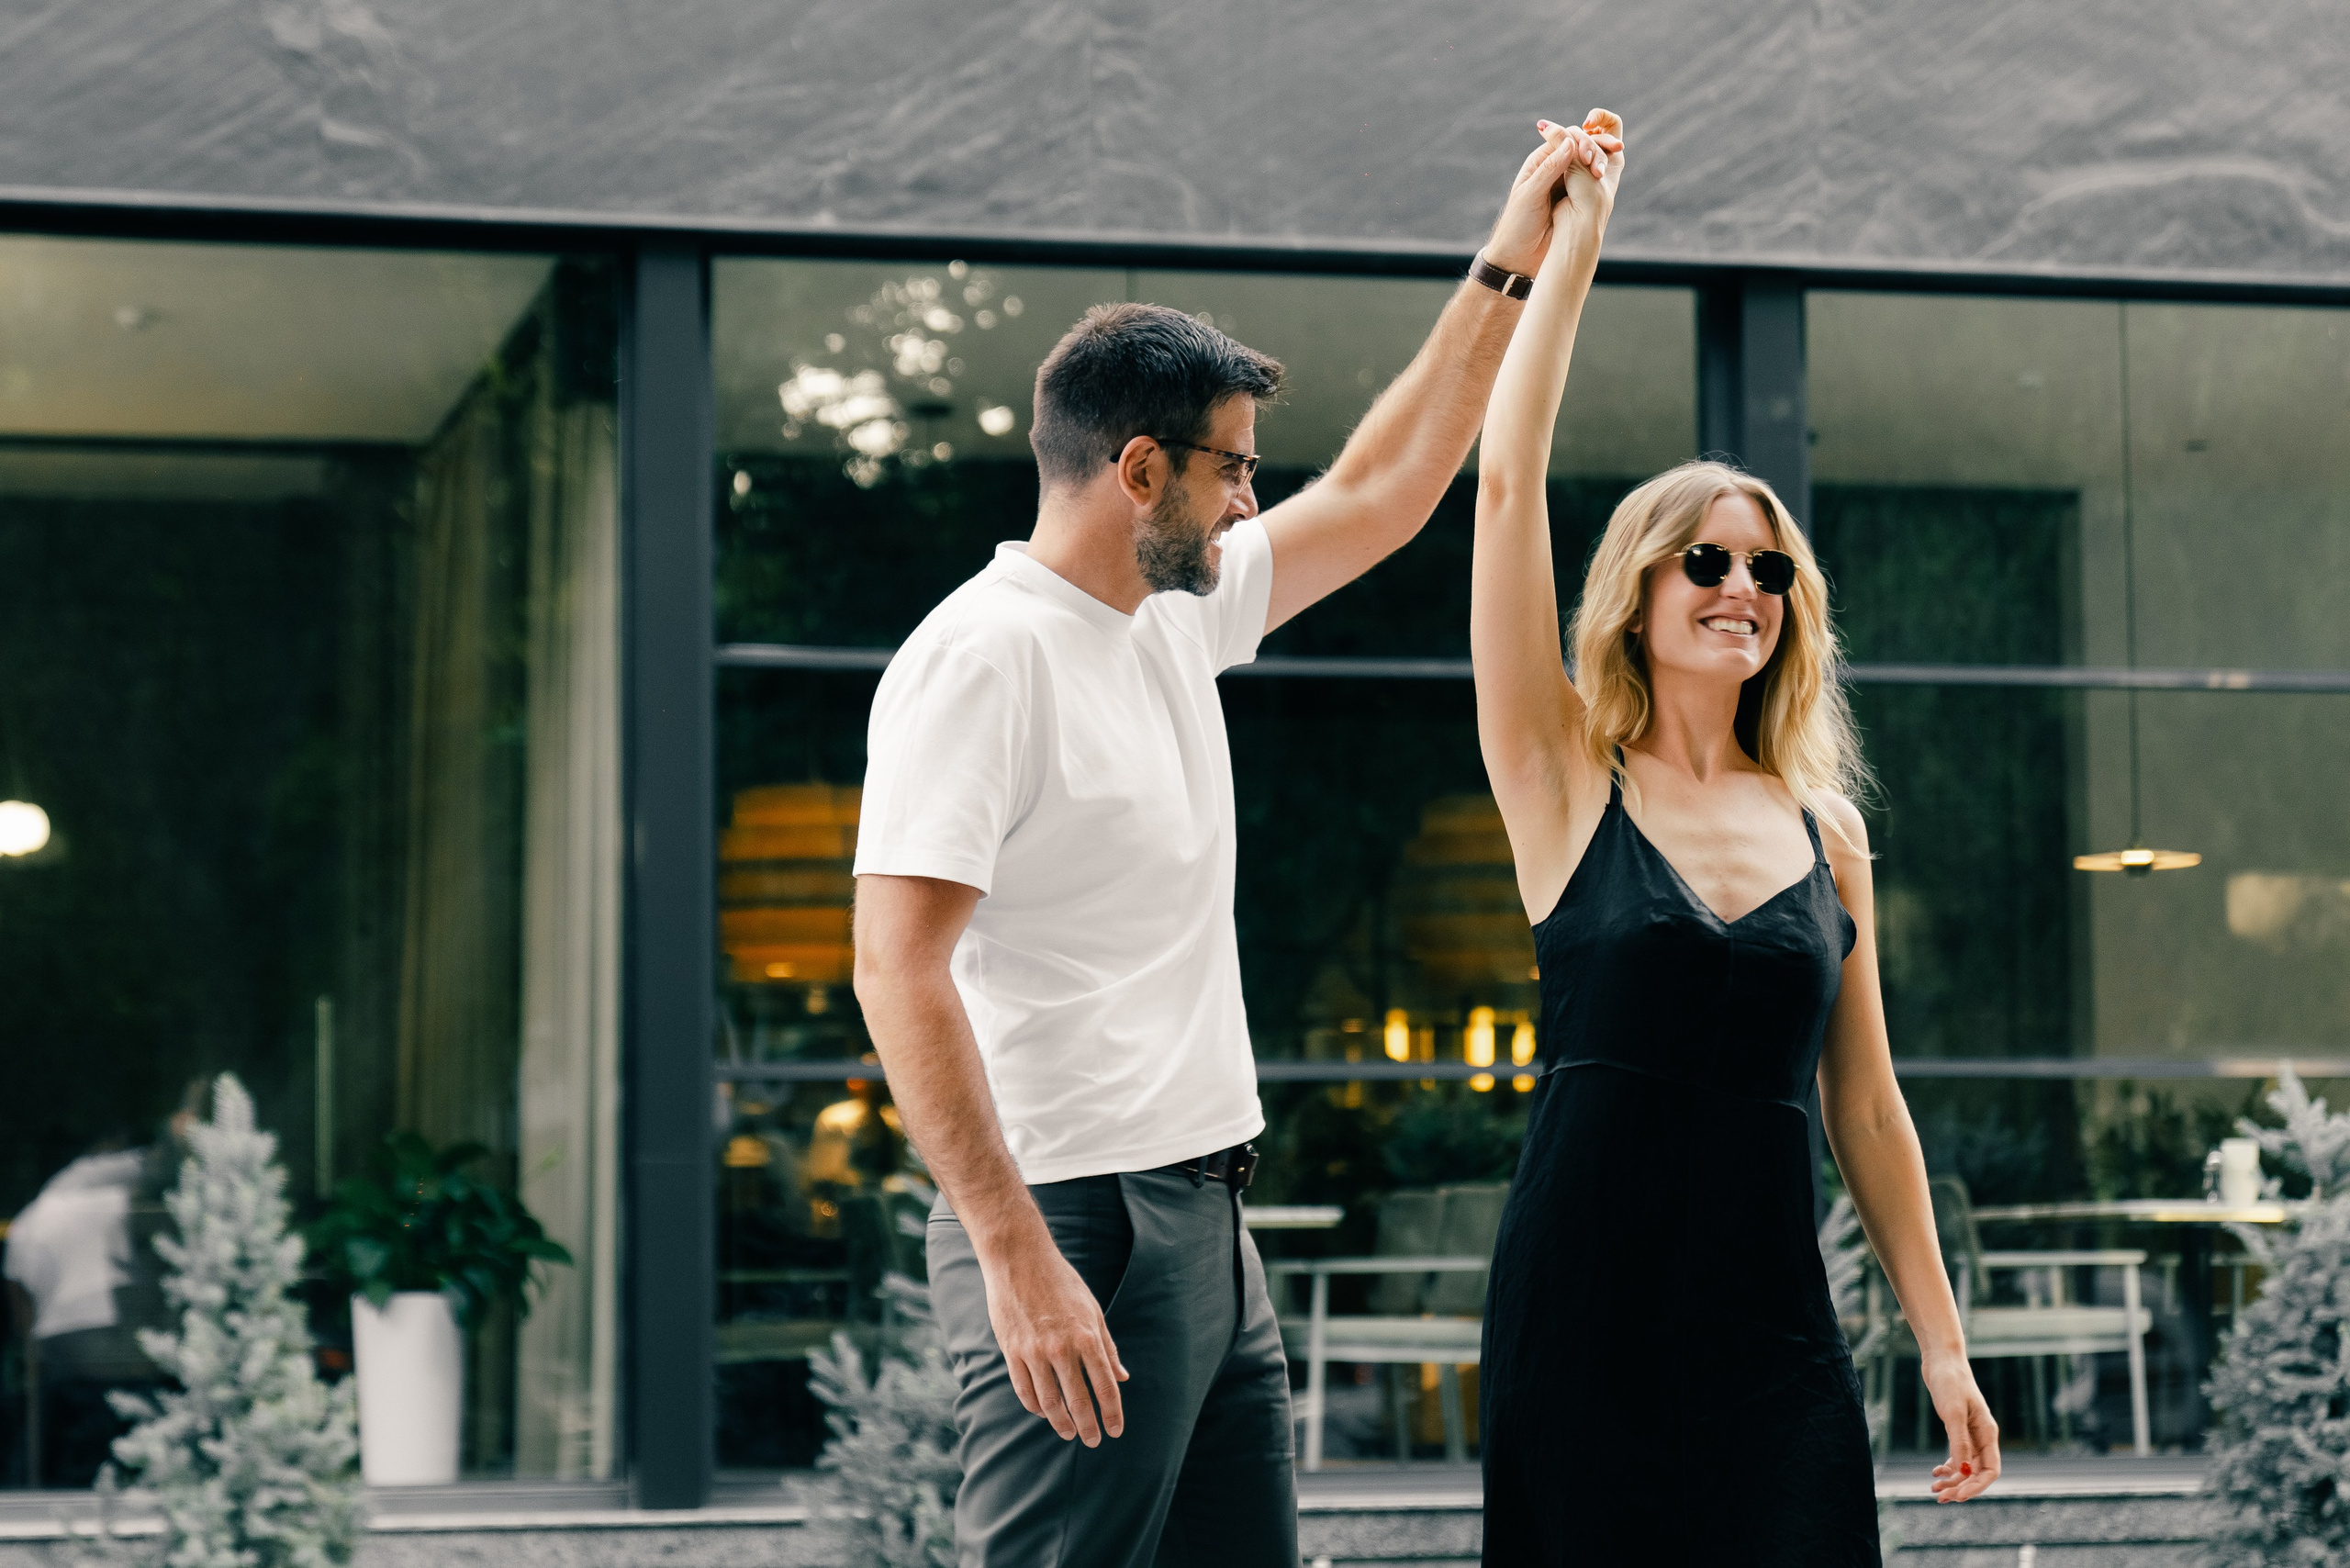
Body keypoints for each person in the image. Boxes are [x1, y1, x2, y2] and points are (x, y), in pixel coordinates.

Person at [850, 115, 1623, 1568]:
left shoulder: (1172, 612)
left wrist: (1512, 256)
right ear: (1140, 471)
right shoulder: (984, 657)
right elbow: (899, 971)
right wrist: (1017, 1260)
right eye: (1232, 472)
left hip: (1206, 1207)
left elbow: (1389, 490)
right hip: (1075, 1222)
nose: (1253, 500)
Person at [1466, 115, 1999, 1563]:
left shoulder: (1828, 836)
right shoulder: (1563, 776)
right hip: (1582, 1315)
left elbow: (1870, 1111)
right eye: (1705, 559)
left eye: (1767, 570)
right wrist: (1572, 251)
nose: (1740, 587)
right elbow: (1505, 486)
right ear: (1641, 587)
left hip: (1770, 1328)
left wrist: (1942, 1348)